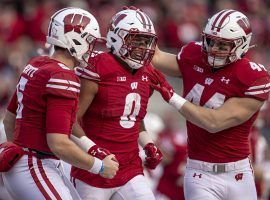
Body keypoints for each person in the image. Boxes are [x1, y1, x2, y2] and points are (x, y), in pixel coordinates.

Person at [149, 9, 270, 200]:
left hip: (238, 173)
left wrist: (172, 97)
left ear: (241, 45)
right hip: (199, 172)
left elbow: (214, 122)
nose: (214, 48)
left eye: (223, 44)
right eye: (211, 40)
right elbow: (155, 57)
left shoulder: (253, 77)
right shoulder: (194, 55)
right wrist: (141, 26)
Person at [1, 7, 119, 200]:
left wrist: (19, 152)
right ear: (74, 39)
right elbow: (59, 143)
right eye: (89, 41)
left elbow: (9, 120)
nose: (91, 49)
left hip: (22, 163)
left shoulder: (37, 63)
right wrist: (100, 167)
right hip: (35, 165)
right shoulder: (63, 76)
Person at [71, 6, 163, 200]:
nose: (142, 47)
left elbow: (132, 116)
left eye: (146, 41)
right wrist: (93, 151)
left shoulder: (146, 72)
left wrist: (148, 143)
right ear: (116, 37)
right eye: (136, 40)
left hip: (130, 168)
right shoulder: (97, 67)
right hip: (94, 170)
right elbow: (71, 120)